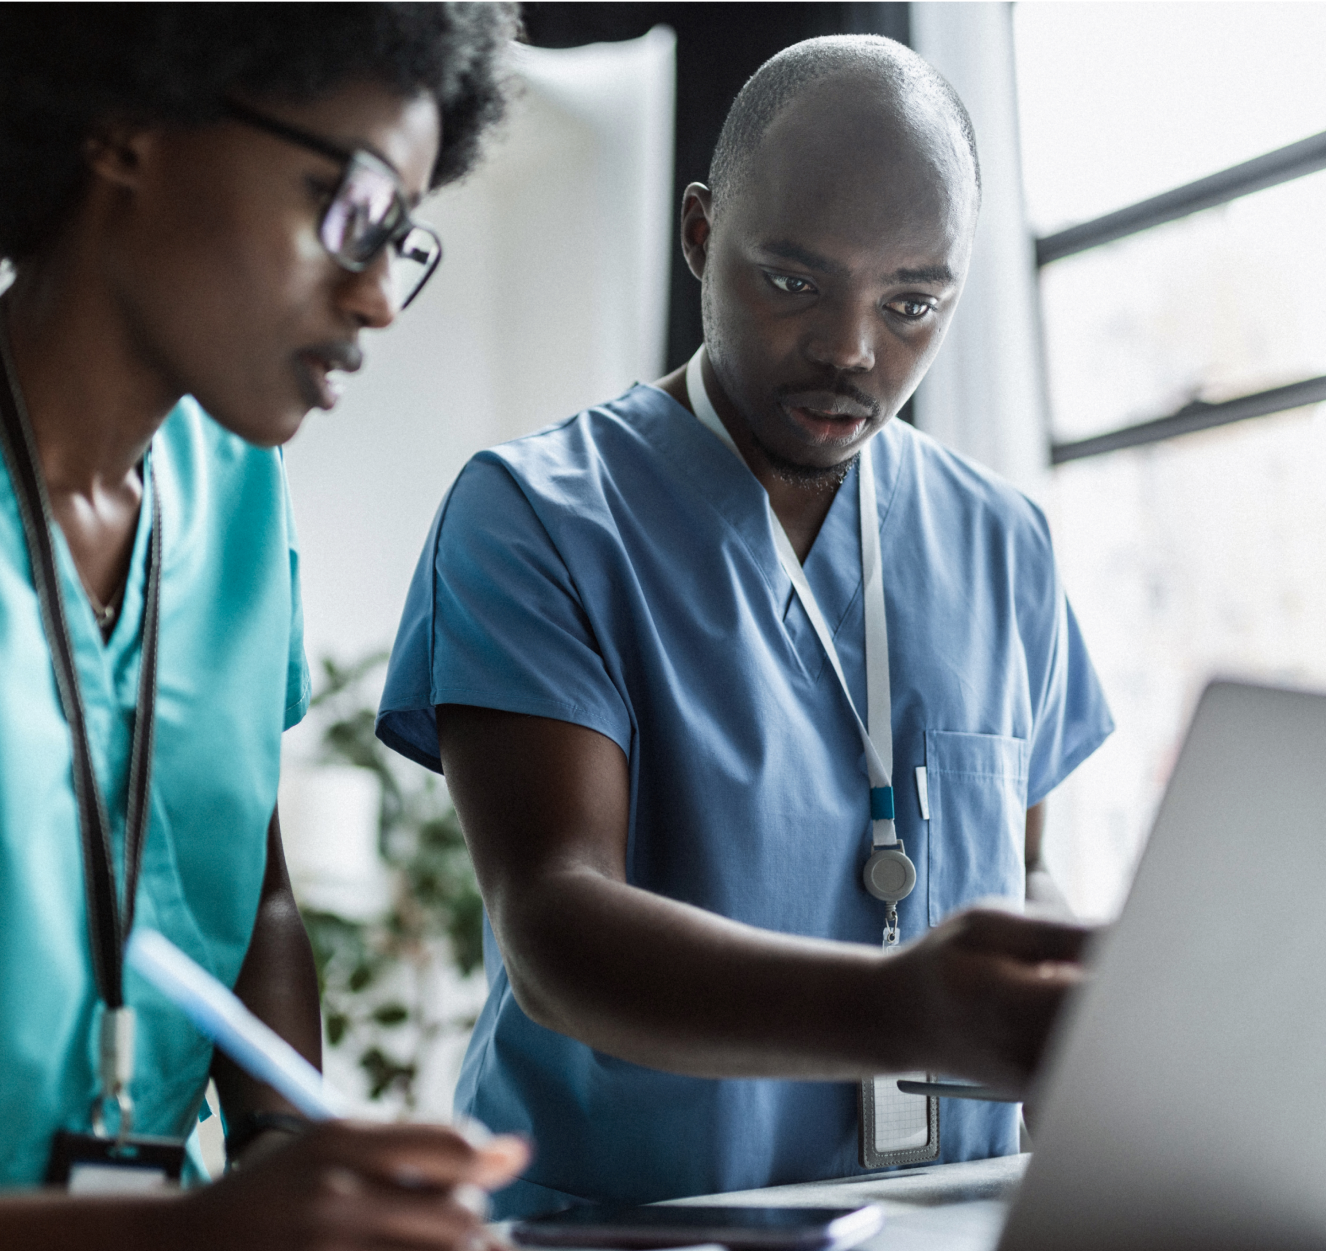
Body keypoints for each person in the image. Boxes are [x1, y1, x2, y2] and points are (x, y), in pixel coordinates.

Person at [0, 2, 527, 1246]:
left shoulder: (233, 490)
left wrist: (288, 1150)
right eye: (349, 207)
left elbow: (248, 889)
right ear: (126, 125)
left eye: (403, 240)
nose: (379, 298)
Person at [376, 35, 1114, 1216]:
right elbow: (554, 920)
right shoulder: (536, 518)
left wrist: (1101, 1006)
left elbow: (1018, 874)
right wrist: (905, 1006)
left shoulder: (1003, 542)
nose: (852, 349)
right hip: (624, 1230)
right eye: (792, 280)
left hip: (946, 1218)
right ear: (699, 236)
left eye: (913, 302)